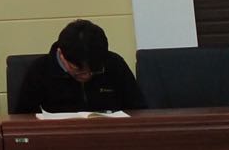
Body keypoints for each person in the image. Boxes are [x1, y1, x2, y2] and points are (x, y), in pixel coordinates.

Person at [12, 18, 146, 114]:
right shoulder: (40, 71)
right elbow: (22, 120)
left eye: (94, 70)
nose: (87, 76)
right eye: (78, 70)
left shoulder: (114, 64)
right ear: (61, 54)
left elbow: (139, 111)